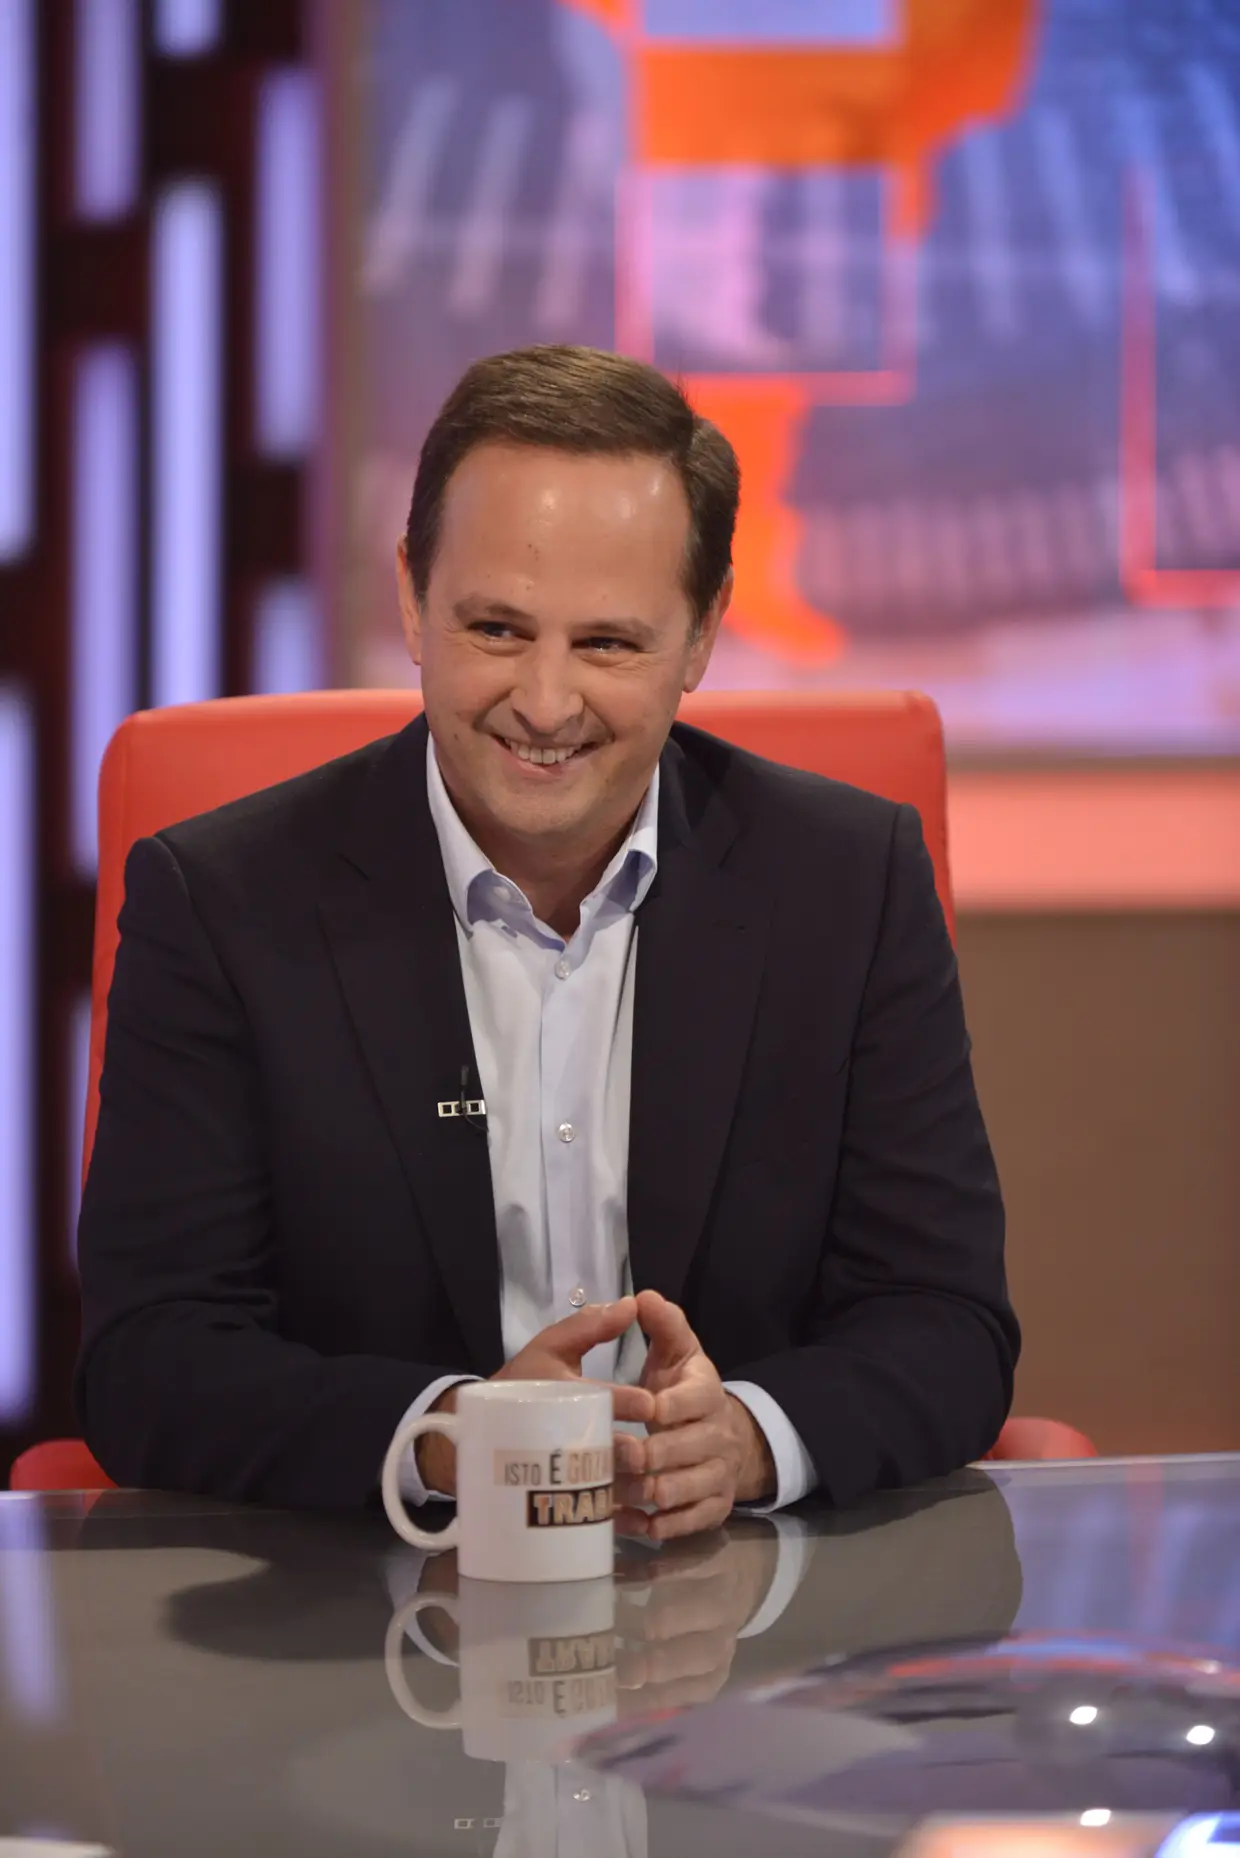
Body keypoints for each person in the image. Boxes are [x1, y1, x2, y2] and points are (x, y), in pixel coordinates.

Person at [75, 344, 1019, 1537]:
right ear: (411, 598)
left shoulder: (848, 883)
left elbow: (945, 1320)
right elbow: (151, 1355)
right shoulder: (221, 901)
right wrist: (448, 1435)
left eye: (608, 644)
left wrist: (743, 1438)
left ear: (701, 636)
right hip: (366, 1610)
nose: (544, 702)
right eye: (496, 628)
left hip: (757, 1615)